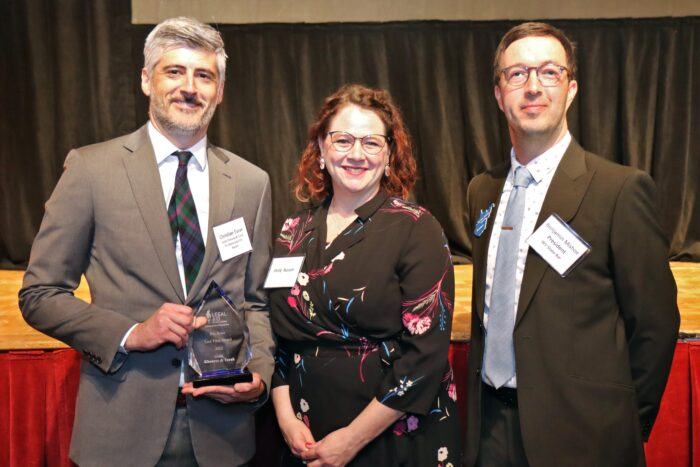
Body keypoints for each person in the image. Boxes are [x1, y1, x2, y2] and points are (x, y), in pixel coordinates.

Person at [19, 17, 274, 467]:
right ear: (145, 79)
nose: (189, 87)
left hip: (223, 438)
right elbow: (40, 295)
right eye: (174, 71)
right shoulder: (91, 171)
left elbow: (254, 301)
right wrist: (132, 333)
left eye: (204, 75)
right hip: (120, 435)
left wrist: (259, 374)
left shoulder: (251, 183)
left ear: (220, 90)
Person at [464, 22, 680, 467]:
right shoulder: (480, 191)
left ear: (572, 88)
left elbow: (655, 326)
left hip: (585, 439)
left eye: (549, 72)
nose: (533, 87)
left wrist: (621, 424)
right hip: (488, 433)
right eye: (517, 74)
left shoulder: (619, 190)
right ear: (499, 93)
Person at [268, 84, 461, 466]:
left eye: (371, 143)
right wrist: (287, 419)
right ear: (321, 149)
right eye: (342, 140)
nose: (356, 154)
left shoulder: (416, 229)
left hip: (391, 440)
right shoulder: (293, 231)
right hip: (305, 439)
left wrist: (352, 441)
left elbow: (424, 357)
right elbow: (280, 340)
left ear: (389, 155)